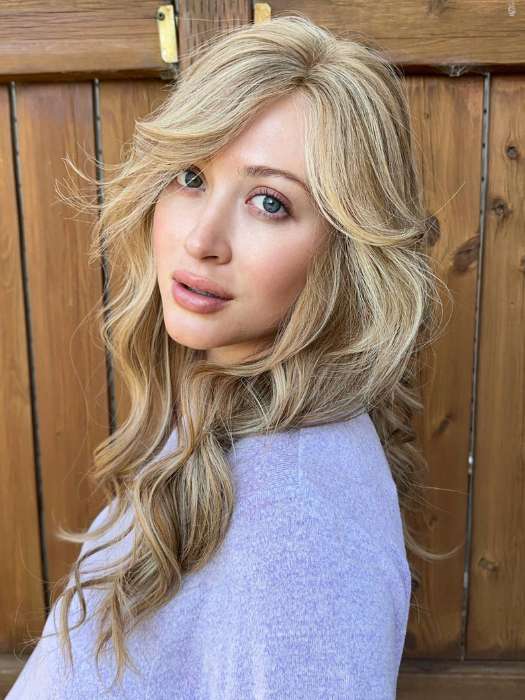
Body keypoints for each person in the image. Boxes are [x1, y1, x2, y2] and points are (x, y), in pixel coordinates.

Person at [7, 13, 458, 699]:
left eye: (269, 202)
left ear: (346, 251)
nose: (201, 239)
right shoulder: (218, 411)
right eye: (191, 176)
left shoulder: (300, 523)